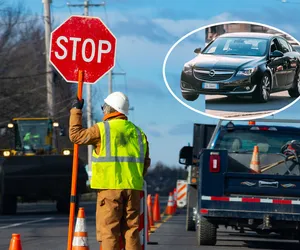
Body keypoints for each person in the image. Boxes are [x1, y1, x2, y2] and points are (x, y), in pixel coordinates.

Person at [69, 91, 151, 250]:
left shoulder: (101, 129)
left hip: (109, 188)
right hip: (133, 188)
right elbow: (145, 163)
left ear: (109, 109)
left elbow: (76, 136)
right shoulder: (139, 133)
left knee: (109, 231)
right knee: (131, 231)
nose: (102, 110)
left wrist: (76, 111)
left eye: (103, 107)